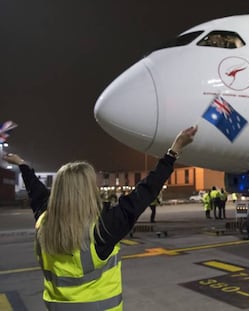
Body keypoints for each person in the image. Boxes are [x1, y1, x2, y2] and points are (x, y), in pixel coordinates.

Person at [3, 125, 197, 310]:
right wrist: (174, 150)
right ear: (88, 190)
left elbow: (36, 192)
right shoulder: (103, 229)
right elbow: (146, 190)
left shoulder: (44, 223)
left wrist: (23, 165)